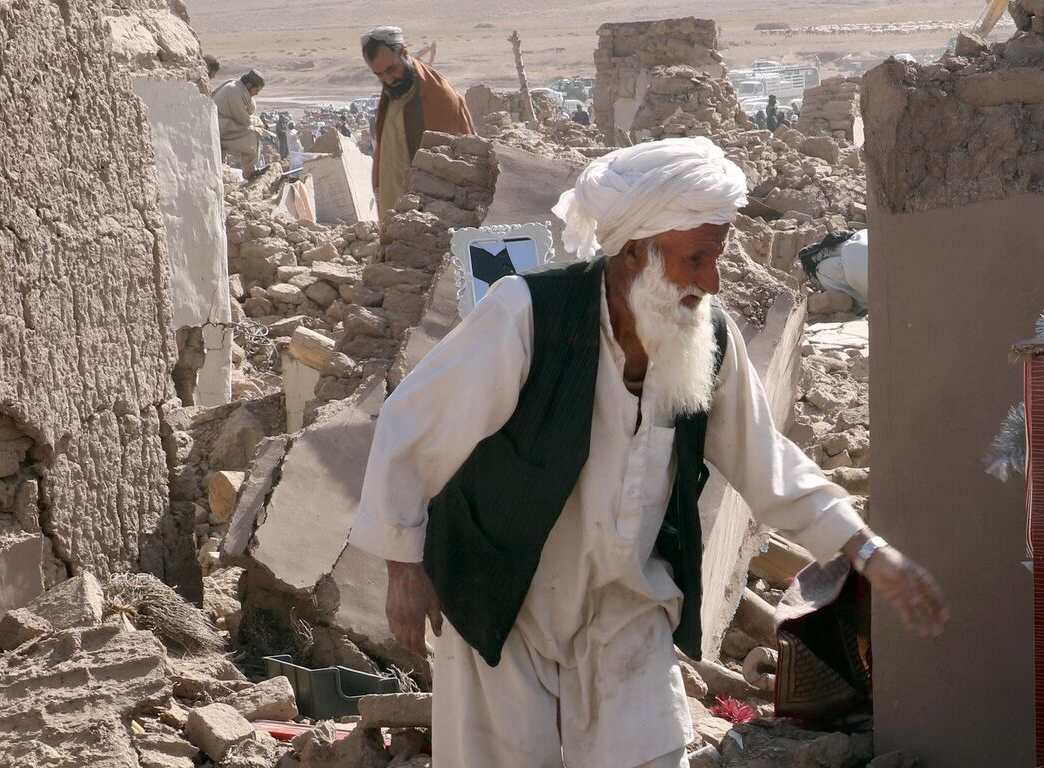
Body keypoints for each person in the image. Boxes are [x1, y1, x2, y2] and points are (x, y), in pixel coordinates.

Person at [348, 137, 949, 768]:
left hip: (627, 610)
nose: (711, 281)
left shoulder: (708, 337)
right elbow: (413, 426)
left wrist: (866, 549)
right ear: (636, 251)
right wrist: (403, 568)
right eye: (696, 259)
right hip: (505, 600)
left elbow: (764, 460)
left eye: (714, 259)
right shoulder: (528, 315)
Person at [362, 26, 474, 226]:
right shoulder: (392, 94)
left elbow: (454, 169)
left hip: (429, 218)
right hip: (395, 212)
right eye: (379, 74)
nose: (387, 79)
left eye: (390, 69)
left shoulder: (437, 97)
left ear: (404, 53)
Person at [214, 70, 265, 179]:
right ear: (249, 85)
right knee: (254, 133)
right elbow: (242, 118)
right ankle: (249, 172)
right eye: (256, 90)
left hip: (228, 123)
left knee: (258, 123)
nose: (256, 93)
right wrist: (254, 125)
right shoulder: (234, 90)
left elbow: (250, 109)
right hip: (221, 126)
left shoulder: (237, 87)